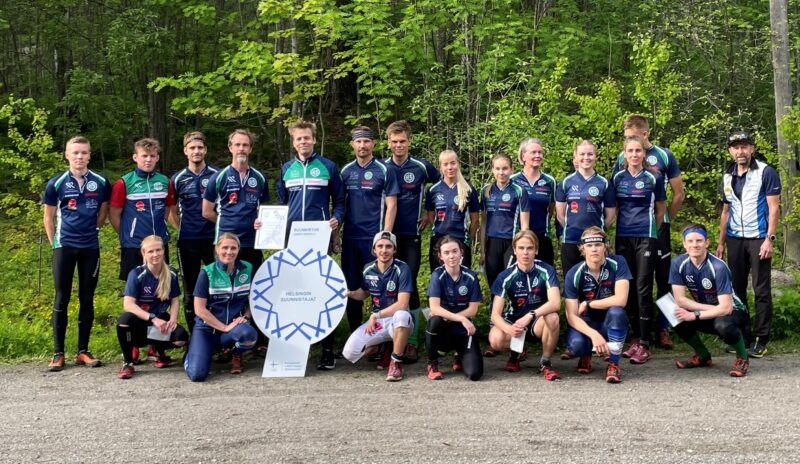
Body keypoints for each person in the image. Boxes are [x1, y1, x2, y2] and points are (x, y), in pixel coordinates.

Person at [275, 119, 346, 368]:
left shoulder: (328, 166)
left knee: (321, 292)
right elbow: (282, 205)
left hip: (319, 237)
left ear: (314, 140)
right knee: (295, 293)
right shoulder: (286, 169)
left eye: (307, 137)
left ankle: (327, 349)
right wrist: (270, 226)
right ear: (293, 142)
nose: (303, 142)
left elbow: (340, 201)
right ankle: (299, 346)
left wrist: (337, 218)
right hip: (292, 239)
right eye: (298, 138)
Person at [613, 115, 685, 349]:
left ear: (645, 134)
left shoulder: (664, 155)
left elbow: (678, 194)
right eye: (627, 140)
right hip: (631, 229)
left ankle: (665, 328)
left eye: (634, 137)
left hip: (657, 227)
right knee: (634, 280)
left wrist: (664, 220)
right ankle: (635, 329)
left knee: (664, 279)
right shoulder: (622, 158)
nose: (630, 144)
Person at [43, 136, 111, 371]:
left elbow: (103, 212)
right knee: (62, 297)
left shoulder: (101, 182)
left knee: (87, 297)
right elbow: (48, 217)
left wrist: (93, 230)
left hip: (90, 247)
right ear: (67, 155)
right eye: (75, 152)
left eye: (84, 152)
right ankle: (58, 353)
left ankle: (83, 351)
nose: (80, 157)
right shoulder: (56, 183)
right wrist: (55, 244)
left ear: (89, 155)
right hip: (64, 247)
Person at [335, 127, 399, 370]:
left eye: (366, 141)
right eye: (358, 142)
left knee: (382, 291)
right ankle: (358, 338)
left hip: (375, 242)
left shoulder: (384, 170)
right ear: (352, 145)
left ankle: (384, 345)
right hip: (351, 239)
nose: (362, 146)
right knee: (352, 290)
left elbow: (391, 205)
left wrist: (385, 237)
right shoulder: (345, 171)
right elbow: (340, 206)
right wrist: (336, 235)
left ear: (373, 143)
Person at [716, 129, 781, 358]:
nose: (740, 151)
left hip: (759, 238)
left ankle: (761, 338)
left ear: (751, 148)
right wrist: (721, 243)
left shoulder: (766, 172)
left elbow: (774, 208)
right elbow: (725, 212)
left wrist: (769, 239)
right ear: (730, 151)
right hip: (734, 239)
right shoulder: (727, 176)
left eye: (744, 146)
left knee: (761, 290)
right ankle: (743, 336)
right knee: (736, 289)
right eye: (736, 147)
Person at [380, 120, 440, 363]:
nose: (398, 145)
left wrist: (428, 213)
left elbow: (442, 186)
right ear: (388, 143)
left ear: (409, 142)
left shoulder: (421, 167)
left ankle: (412, 341)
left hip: (411, 235)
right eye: (394, 141)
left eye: (402, 141)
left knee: (410, 284)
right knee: (386, 286)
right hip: (386, 237)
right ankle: (387, 339)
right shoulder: (381, 167)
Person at [671, 224, 750, 377]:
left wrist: (695, 314)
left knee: (722, 324)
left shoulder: (718, 266)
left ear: (707, 243)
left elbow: (726, 308)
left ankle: (742, 357)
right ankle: (703, 355)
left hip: (734, 312)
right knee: (672, 311)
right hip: (712, 309)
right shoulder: (678, 264)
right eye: (690, 241)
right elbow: (680, 300)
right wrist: (706, 310)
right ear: (684, 244)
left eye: (699, 241)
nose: (695, 245)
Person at [613, 135, 666, 364]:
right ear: (624, 154)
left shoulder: (654, 177)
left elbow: (660, 209)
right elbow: (614, 208)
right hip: (623, 237)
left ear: (644, 153)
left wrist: (653, 231)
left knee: (644, 287)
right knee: (628, 285)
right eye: (630, 151)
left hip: (646, 236)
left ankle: (645, 342)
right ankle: (634, 337)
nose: (634, 154)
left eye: (638, 151)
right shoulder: (617, 178)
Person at [488, 230, 561, 381]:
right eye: (521, 248)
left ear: (536, 250)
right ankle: (517, 352)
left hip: (537, 321)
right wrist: (509, 329)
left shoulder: (547, 270)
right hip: (514, 321)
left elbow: (555, 303)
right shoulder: (505, 276)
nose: (525, 252)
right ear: (514, 250)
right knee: (495, 339)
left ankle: (545, 362)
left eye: (530, 248)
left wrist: (531, 315)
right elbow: (495, 315)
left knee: (553, 318)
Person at [341, 231, 413, 382]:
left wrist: (376, 315)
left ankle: (396, 362)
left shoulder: (402, 268)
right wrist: (351, 294)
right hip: (378, 323)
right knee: (349, 352)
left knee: (402, 316)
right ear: (374, 249)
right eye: (380, 246)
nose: (384, 250)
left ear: (394, 249)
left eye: (388, 246)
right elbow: (365, 292)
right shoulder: (368, 268)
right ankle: (380, 348)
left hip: (396, 321)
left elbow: (403, 304)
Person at [184, 233, 258, 381]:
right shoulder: (207, 272)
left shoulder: (247, 268)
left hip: (233, 328)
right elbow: (199, 309)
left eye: (233, 248)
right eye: (225, 247)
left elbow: (254, 298)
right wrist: (224, 327)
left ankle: (235, 353)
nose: (229, 252)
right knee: (197, 375)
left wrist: (246, 316)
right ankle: (193, 355)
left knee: (249, 336)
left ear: (238, 250)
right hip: (207, 329)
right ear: (217, 249)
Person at [563, 227, 631, 383]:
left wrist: (589, 303)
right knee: (576, 346)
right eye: (589, 245)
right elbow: (571, 315)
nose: (594, 249)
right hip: (586, 323)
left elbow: (621, 300)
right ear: (582, 248)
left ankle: (613, 364)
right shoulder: (574, 273)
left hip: (609, 320)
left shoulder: (618, 263)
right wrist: (593, 334)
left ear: (605, 246)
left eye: (598, 244)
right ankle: (585, 355)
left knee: (617, 312)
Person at [116, 235, 189, 379]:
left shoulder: (172, 273)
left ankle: (158, 350)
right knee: (124, 321)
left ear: (163, 251)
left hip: (161, 321)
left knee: (181, 339)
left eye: (158, 250)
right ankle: (128, 362)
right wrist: (153, 318)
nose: (155, 254)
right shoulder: (136, 274)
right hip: (141, 323)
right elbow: (128, 304)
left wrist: (173, 320)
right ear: (143, 253)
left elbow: (174, 300)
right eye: (150, 251)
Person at [109, 138, 177, 281]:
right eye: (144, 155)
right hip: (134, 244)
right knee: (134, 286)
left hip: (159, 243)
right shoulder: (124, 182)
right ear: (135, 157)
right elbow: (114, 214)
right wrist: (127, 234)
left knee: (161, 284)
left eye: (152, 156)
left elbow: (167, 208)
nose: (148, 160)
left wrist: (161, 225)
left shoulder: (166, 181)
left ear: (157, 158)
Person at [170, 131, 218, 333]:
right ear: (185, 151)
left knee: (217, 287)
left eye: (200, 147)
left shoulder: (217, 175)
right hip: (188, 241)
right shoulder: (177, 179)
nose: (196, 151)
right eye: (192, 148)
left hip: (214, 241)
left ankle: (219, 334)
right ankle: (194, 336)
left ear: (205, 150)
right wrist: (184, 228)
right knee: (190, 289)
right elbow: (172, 211)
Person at [202, 129, 270, 270]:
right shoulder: (218, 177)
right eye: (237, 145)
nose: (241, 148)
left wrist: (260, 221)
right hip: (226, 242)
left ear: (250, 149)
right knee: (225, 280)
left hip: (252, 241)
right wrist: (228, 221)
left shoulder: (260, 178)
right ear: (230, 147)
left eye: (245, 145)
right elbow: (207, 212)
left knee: (253, 281)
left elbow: (265, 211)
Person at [425, 236, 484, 381]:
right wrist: (461, 318)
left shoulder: (471, 276)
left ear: (461, 252)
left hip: (463, 330)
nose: (451, 256)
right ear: (440, 256)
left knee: (474, 374)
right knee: (435, 321)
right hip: (444, 329)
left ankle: (460, 355)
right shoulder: (437, 275)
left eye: (454, 251)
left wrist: (455, 319)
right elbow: (434, 308)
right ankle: (432, 363)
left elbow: (473, 310)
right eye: (446, 253)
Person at [556, 140, 616, 276]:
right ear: (576, 156)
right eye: (582, 154)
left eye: (590, 154)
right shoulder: (566, 182)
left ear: (595, 156)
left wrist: (596, 232)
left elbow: (610, 216)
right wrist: (572, 228)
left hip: (596, 242)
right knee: (571, 280)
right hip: (571, 240)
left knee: (597, 280)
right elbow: (560, 216)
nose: (586, 157)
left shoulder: (604, 183)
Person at [480, 152, 530, 299]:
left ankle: (512, 310)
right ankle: (495, 312)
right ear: (492, 170)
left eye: (505, 168)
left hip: (511, 242)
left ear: (512, 169)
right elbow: (484, 222)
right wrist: (482, 251)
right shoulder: (486, 191)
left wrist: (522, 247)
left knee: (509, 280)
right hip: (491, 243)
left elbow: (525, 225)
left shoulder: (519, 191)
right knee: (493, 281)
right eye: (497, 168)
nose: (501, 172)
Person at [425, 149, 480, 271]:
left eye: (453, 163)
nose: (450, 167)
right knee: (439, 276)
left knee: (461, 277)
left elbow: (475, 220)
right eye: (445, 164)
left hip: (460, 239)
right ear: (440, 167)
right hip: (438, 240)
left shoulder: (469, 190)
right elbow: (430, 216)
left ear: (458, 164)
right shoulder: (433, 190)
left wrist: (468, 239)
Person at [510, 138, 557, 266]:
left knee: (544, 275)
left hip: (543, 237)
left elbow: (551, 209)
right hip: (519, 238)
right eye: (533, 152)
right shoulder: (512, 180)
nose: (538, 155)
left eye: (540, 152)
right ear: (523, 156)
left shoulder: (549, 181)